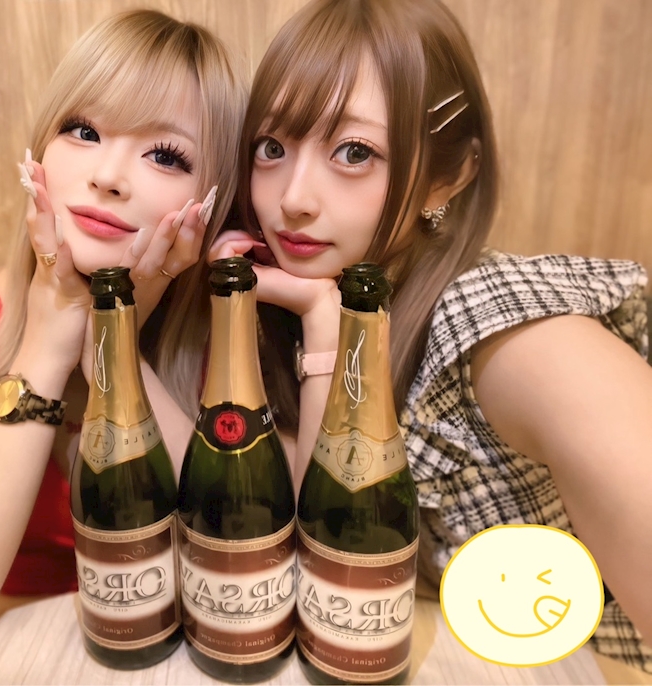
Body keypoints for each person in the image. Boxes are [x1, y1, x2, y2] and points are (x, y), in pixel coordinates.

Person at [211, 0, 652, 672]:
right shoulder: (302, 305)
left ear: (447, 179)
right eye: (272, 147)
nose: (292, 197)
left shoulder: (508, 333)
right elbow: (310, 565)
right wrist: (320, 321)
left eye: (354, 152)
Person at [0, 9, 246, 652]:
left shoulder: (231, 334)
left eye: (165, 155)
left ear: (209, 200)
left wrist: (112, 339)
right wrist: (47, 343)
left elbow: (240, 568)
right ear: (38, 151)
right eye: (83, 130)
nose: (108, 176)